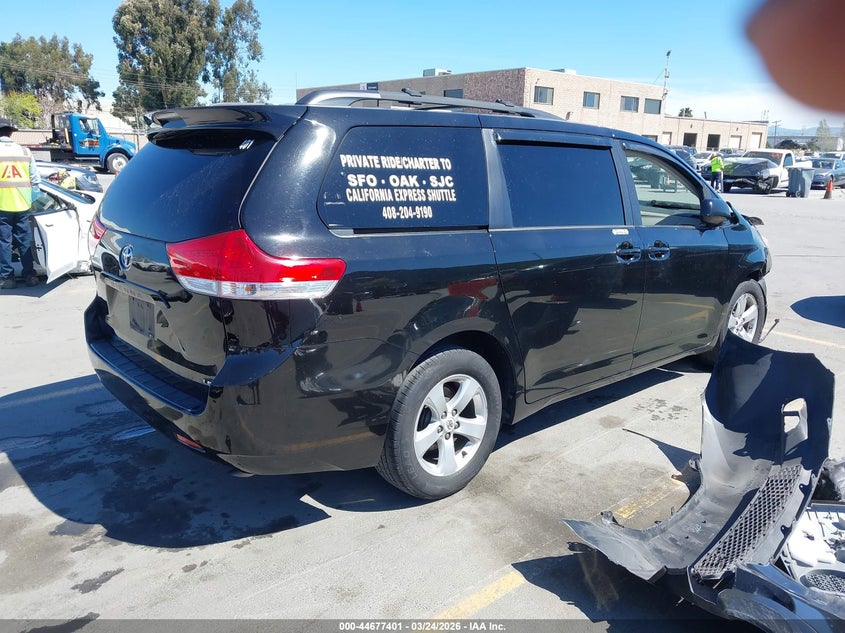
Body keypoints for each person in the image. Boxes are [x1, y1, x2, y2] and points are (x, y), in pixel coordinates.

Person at [0, 117, 41, 289]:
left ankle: (7, 278)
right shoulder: (24, 152)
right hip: (23, 204)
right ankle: (30, 275)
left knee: (4, 242)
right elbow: (35, 180)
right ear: (11, 132)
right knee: (25, 241)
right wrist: (33, 200)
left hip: (2, 205)